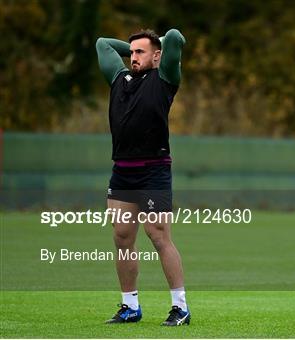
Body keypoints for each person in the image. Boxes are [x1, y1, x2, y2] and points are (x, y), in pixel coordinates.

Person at [95, 28, 190, 326]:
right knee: (122, 238)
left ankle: (179, 307)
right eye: (131, 52)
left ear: (157, 55)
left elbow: (174, 37)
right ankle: (130, 306)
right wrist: (135, 48)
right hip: (123, 170)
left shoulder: (164, 79)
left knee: (158, 235)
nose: (133, 57)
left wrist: (157, 49)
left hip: (154, 169)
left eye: (140, 52)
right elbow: (102, 44)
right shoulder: (118, 79)